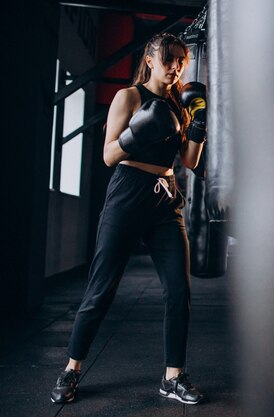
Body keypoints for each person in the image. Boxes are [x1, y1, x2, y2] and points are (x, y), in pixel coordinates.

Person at [50, 32, 208, 405]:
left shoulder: (180, 102)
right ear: (150, 59)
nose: (175, 68)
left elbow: (189, 161)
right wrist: (137, 134)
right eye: (169, 59)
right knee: (101, 290)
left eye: (181, 62)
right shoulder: (129, 97)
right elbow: (108, 156)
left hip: (165, 201)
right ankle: (72, 369)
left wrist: (198, 122)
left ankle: (173, 376)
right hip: (127, 192)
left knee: (179, 291)